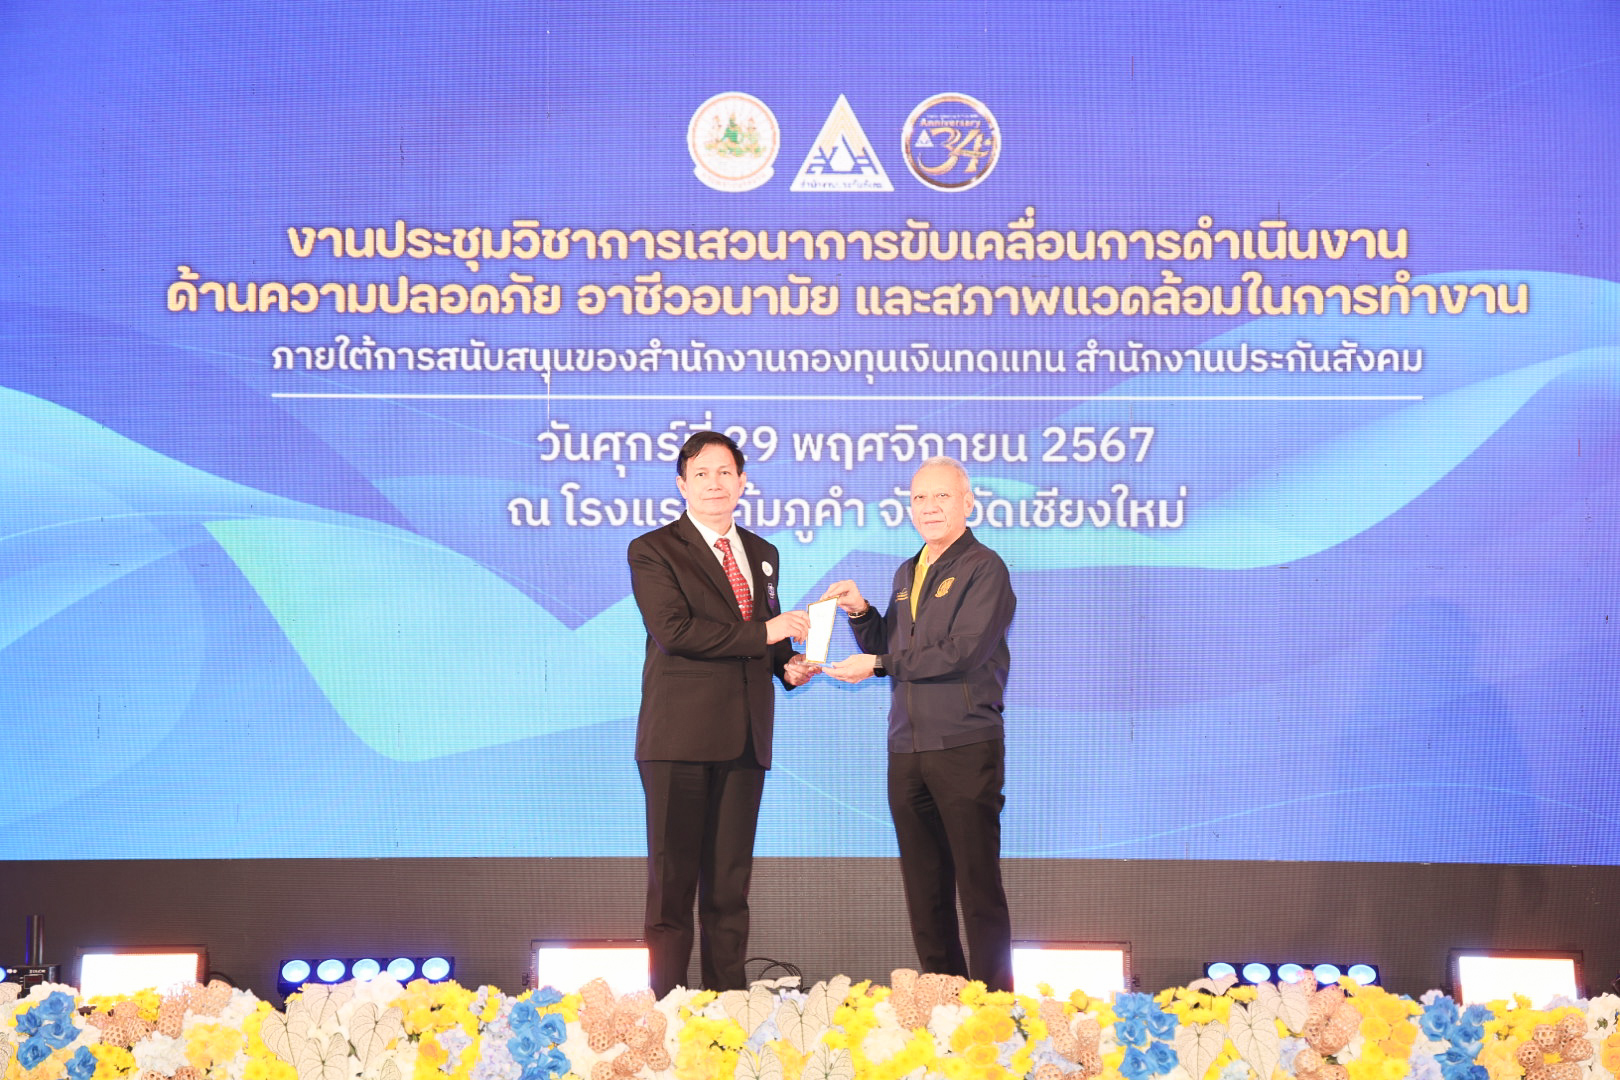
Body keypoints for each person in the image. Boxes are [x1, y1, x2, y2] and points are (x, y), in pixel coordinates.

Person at [628, 430, 816, 997]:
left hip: (745, 740)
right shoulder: (653, 549)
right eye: (702, 474)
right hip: (678, 741)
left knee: (729, 892)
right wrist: (768, 633)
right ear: (682, 484)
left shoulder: (763, 553)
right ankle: (666, 1010)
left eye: (725, 472)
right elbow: (676, 632)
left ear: (742, 482)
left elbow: (764, 637)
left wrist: (787, 666)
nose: (715, 483)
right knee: (672, 891)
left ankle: (729, 1011)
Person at [821, 456, 1017, 991]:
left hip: (964, 744)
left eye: (942, 497)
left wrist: (879, 663)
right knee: (925, 891)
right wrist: (861, 612)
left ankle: (994, 1011)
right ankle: (943, 1000)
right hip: (907, 750)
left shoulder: (985, 568)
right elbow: (893, 646)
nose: (929, 507)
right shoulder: (907, 572)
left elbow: (962, 651)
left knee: (977, 889)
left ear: (967, 503)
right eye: (919, 499)